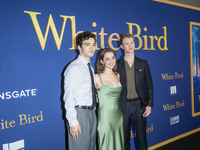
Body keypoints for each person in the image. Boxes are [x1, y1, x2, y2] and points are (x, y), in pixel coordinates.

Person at [117, 33, 154, 150]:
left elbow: (149, 86)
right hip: (123, 105)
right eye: (126, 43)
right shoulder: (116, 65)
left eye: (131, 42)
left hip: (140, 105)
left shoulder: (143, 63)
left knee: (142, 139)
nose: (130, 45)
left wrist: (149, 105)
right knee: (124, 139)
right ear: (121, 46)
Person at [63, 31, 97, 150]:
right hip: (79, 114)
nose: (92, 47)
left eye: (93, 44)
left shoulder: (90, 68)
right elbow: (68, 97)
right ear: (79, 47)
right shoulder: (74, 68)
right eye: (87, 44)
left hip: (92, 113)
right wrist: (73, 122)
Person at [95, 47, 124, 150]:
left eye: (113, 58)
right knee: (106, 145)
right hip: (105, 118)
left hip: (118, 116)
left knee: (118, 144)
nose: (111, 61)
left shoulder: (118, 75)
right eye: (107, 59)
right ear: (101, 61)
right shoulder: (96, 77)